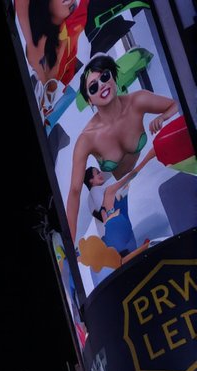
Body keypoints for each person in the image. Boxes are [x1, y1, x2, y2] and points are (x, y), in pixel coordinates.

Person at [63, 54, 182, 251]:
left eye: (104, 76)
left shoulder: (138, 100)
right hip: (124, 194)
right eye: (93, 87)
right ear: (90, 100)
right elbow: (75, 192)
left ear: (113, 77)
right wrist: (69, 242)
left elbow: (177, 103)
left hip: (155, 169)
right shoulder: (87, 139)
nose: (102, 85)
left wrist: (163, 117)